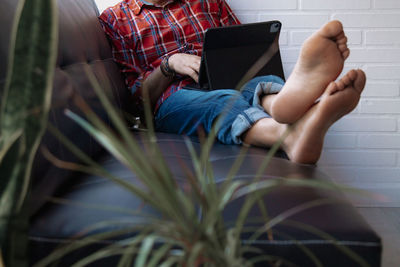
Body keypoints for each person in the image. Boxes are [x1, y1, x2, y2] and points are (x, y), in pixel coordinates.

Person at [99, 0, 366, 164]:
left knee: (257, 81)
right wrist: (169, 65)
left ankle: (283, 103)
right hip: (175, 99)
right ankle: (287, 133)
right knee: (222, 102)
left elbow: (245, 50)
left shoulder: (208, 1)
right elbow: (136, 99)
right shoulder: (116, 19)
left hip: (231, 82)